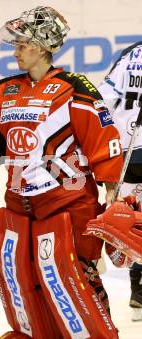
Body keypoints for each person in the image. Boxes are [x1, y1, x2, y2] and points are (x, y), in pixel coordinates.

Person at [0, 6, 122, 338]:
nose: (15, 52)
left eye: (22, 45)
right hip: (21, 206)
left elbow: (103, 138)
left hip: (70, 206)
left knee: (76, 281)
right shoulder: (5, 90)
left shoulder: (74, 87)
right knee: (23, 280)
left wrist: (112, 195)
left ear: (42, 47)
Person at [97, 40, 142, 321]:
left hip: (125, 150)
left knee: (132, 221)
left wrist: (105, 148)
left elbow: (102, 100)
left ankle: (137, 285)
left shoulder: (131, 53)